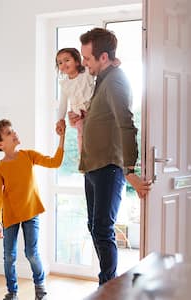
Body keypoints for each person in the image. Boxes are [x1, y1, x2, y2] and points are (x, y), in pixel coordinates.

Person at [57, 28, 151, 285]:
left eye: (87, 59)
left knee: (102, 229)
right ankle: (108, 282)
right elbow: (103, 118)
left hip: (109, 167)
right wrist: (82, 117)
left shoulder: (116, 80)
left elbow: (126, 124)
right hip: (93, 167)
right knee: (94, 227)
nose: (84, 63)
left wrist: (129, 170)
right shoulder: (102, 79)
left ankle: (108, 285)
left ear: (104, 57)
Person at [0, 119, 65, 300]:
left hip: (31, 212)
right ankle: (12, 293)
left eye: (13, 130)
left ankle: (40, 288)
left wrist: (62, 138)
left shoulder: (28, 155)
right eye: (9, 132)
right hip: (10, 216)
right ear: (0, 144)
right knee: (9, 257)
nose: (15, 133)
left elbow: (55, 162)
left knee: (31, 253)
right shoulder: (0, 169)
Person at [56, 48, 94, 152]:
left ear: (77, 61)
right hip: (79, 115)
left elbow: (100, 71)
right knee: (81, 134)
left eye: (67, 60)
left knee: (93, 135)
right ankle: (83, 157)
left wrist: (114, 62)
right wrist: (60, 120)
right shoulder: (64, 84)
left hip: (92, 112)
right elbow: (63, 104)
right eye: (60, 63)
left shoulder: (86, 73)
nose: (63, 64)